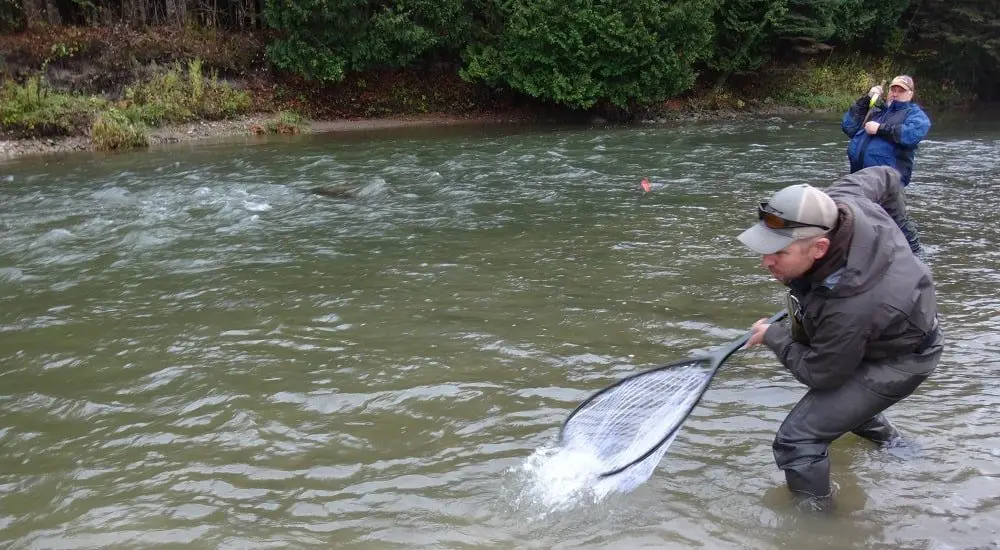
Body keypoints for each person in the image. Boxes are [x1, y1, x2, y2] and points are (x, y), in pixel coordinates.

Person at [736, 165, 943, 509]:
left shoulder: (852, 305)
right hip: (883, 326)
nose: (765, 262)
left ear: (819, 249)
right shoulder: (840, 202)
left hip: (904, 356)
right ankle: (898, 449)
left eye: (779, 253)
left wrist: (774, 336)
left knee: (797, 440)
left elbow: (822, 374)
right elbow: (887, 176)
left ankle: (819, 530)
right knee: (840, 400)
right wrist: (911, 244)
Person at [841, 75, 931, 188]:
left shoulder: (914, 114)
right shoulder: (876, 111)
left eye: (901, 91)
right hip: (858, 178)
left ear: (910, 94)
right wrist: (866, 99)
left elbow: (911, 134)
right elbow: (848, 127)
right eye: (893, 90)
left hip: (887, 186)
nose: (895, 94)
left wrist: (880, 129)